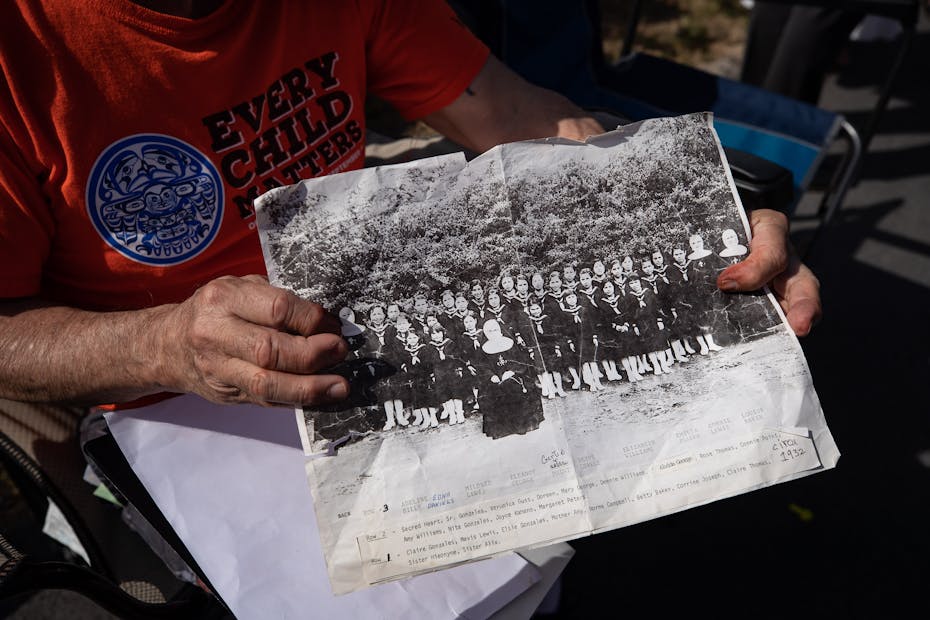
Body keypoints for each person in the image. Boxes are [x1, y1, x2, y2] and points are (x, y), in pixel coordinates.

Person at [0, 0, 821, 414]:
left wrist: (698, 213)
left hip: (365, 350)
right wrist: (162, 344)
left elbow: (517, 114)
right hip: (152, 412)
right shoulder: (20, 46)